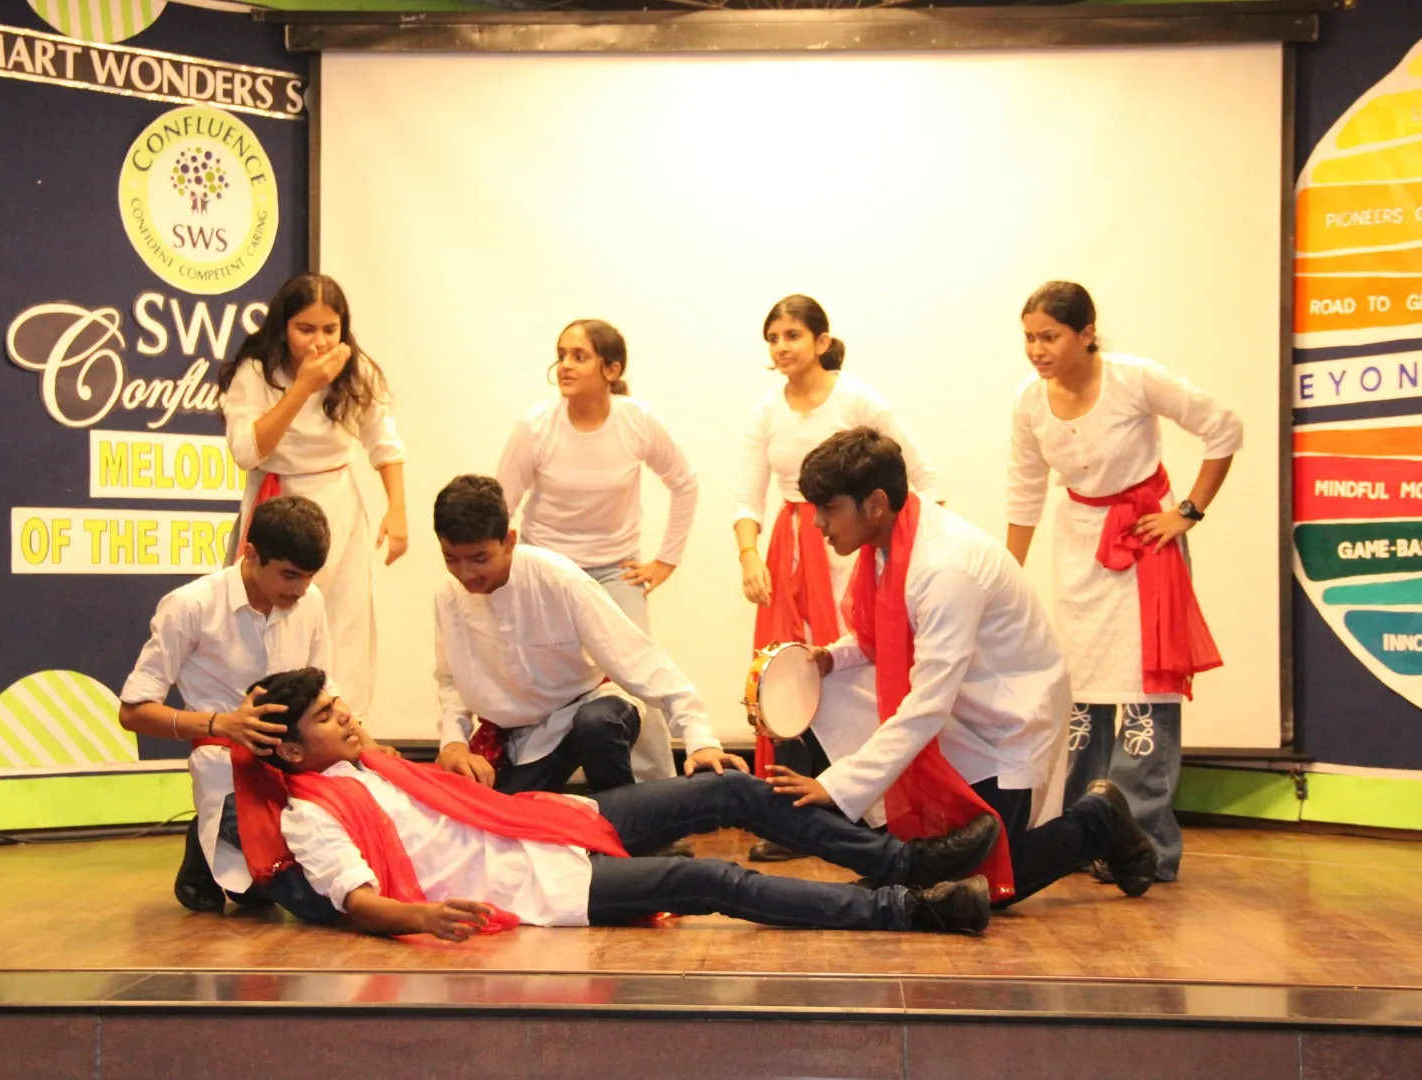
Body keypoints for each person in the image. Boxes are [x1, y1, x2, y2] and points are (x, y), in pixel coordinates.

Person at [245, 668, 1001, 936]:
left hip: (546, 821)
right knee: (710, 880)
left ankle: (899, 861)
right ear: (290, 751)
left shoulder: (375, 762)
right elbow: (357, 901)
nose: (347, 718)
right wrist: (425, 918)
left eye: (340, 704)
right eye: (326, 718)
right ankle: (907, 910)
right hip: (526, 879)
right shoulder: (311, 814)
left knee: (731, 787)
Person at [762, 427, 1160, 904]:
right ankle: (905, 871)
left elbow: (927, 706)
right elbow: (880, 639)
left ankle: (1098, 819)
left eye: (829, 508)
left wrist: (835, 785)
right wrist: (830, 657)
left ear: (875, 504)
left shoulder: (945, 567)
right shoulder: (890, 541)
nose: (818, 524)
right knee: (942, 877)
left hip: (1008, 723)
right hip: (959, 709)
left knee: (985, 888)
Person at [1006, 281, 1240, 883]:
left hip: (1143, 545)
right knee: (1082, 697)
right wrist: (1006, 575)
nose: (1037, 349)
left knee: (1144, 693)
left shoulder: (1135, 378)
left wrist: (1187, 511)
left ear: (1086, 334)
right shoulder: (1029, 400)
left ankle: (1144, 846)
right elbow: (1025, 489)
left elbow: (1223, 428)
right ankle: (1083, 837)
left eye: (1050, 336)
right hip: (1079, 547)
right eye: (1029, 337)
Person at [733, 294, 945, 861]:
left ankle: (866, 805)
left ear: (821, 341)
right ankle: (791, 820)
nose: (781, 348)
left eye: (793, 336)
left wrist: (907, 552)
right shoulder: (766, 411)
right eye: (773, 338)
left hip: (854, 548)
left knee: (858, 663)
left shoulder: (858, 398)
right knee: (787, 672)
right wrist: (750, 556)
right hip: (791, 554)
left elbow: (923, 477)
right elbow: (746, 495)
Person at [116, 494, 392, 917]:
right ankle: (210, 846)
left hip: (300, 761)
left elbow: (325, 686)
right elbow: (133, 711)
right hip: (227, 763)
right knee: (307, 901)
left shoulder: (311, 601)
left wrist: (369, 749)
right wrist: (224, 724)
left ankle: (215, 847)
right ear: (250, 554)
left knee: (360, 850)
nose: (300, 590)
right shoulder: (189, 606)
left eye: (309, 577)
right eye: (290, 575)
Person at [432, 475, 736, 797]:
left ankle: (626, 823)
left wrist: (700, 739)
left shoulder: (558, 579)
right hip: (521, 741)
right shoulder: (448, 596)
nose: (465, 573)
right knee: (498, 819)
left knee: (597, 724)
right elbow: (451, 680)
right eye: (451, 559)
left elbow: (639, 659)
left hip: (586, 709)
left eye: (479, 559)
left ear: (509, 541)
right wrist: (454, 742)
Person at [497, 319, 699, 787]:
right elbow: (500, 506)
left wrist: (666, 560)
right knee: (539, 678)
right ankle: (527, 787)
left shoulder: (637, 421)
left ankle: (659, 793)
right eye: (561, 355)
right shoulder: (535, 427)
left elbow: (685, 482)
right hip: (546, 570)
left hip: (613, 571)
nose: (565, 366)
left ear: (612, 369)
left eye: (579, 356)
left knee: (640, 677)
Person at [220, 273, 408, 721]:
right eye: (306, 329)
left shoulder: (358, 371)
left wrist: (397, 510)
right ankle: (267, 725)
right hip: (275, 502)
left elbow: (384, 444)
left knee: (344, 623)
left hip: (337, 505)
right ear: (283, 326)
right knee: (267, 616)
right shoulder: (257, 372)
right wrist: (303, 386)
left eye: (330, 329)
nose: (320, 342)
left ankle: (341, 727)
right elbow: (247, 451)